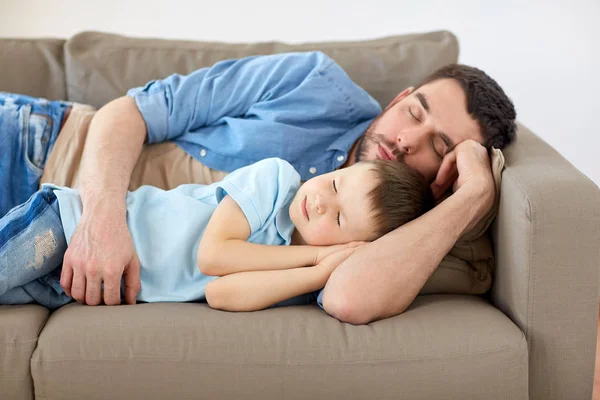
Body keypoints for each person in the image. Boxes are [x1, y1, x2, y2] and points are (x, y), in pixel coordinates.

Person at [0, 51, 516, 324]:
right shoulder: (312, 82)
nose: (405, 139)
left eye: (438, 145)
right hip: (40, 148)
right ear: (402, 94)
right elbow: (128, 112)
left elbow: (350, 299)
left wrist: (472, 196)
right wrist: (100, 220)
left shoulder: (389, 229)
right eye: (413, 110)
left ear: (445, 177)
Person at [0, 157, 432, 312]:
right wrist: (316, 260)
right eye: (336, 184)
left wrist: (319, 274)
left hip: (87, 286)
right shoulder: (277, 181)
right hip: (71, 226)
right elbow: (213, 256)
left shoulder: (297, 274)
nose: (321, 201)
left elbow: (220, 295)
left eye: (337, 220)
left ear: (347, 245)